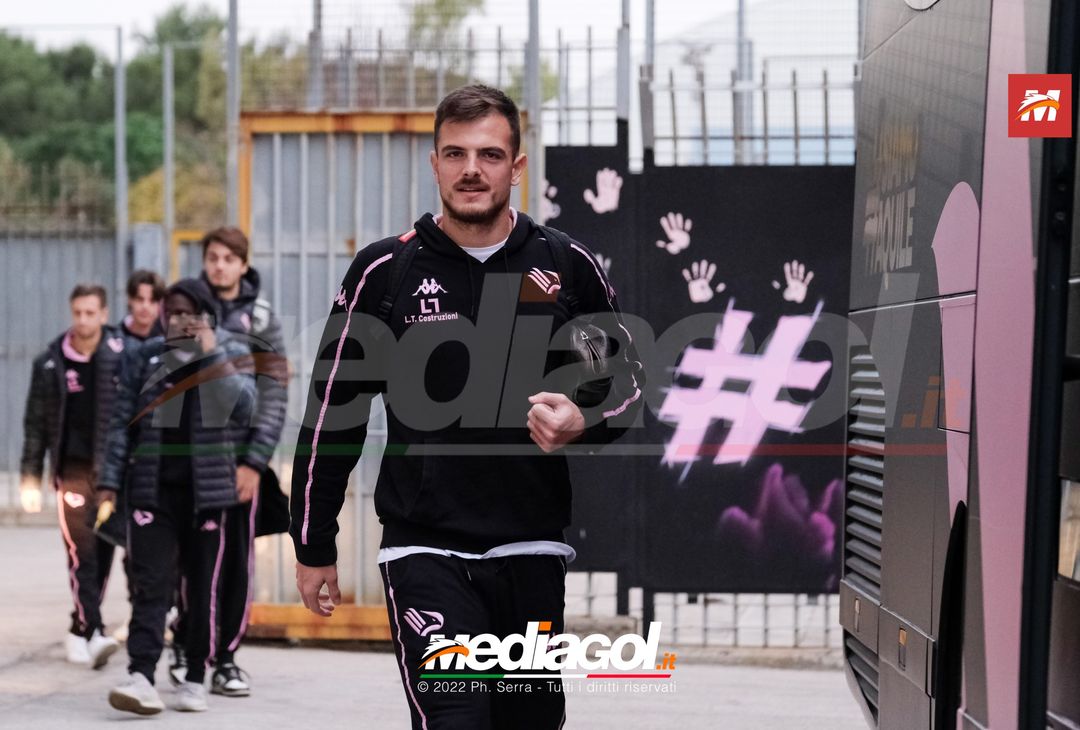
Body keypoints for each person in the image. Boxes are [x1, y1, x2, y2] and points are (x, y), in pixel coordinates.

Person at [289, 84, 643, 729]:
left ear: (517, 165)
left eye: (489, 154)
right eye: (455, 153)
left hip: (530, 547)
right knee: (457, 720)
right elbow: (331, 415)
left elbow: (627, 390)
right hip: (425, 549)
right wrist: (313, 543)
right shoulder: (385, 271)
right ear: (434, 163)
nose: (472, 169)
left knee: (527, 724)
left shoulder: (565, 265)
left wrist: (581, 419)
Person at [99, 278, 257, 715]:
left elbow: (244, 407)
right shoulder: (143, 356)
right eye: (172, 313)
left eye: (188, 314)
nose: (178, 322)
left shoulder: (226, 355)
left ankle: (194, 677)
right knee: (151, 585)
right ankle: (141, 675)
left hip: (208, 495)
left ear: (206, 318)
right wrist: (109, 483)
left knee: (203, 589)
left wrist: (212, 353)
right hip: (152, 492)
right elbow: (120, 424)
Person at [166, 226, 287, 695]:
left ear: (243, 263)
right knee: (186, 561)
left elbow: (274, 396)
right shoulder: (185, 308)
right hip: (188, 462)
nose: (219, 266)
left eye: (227, 258)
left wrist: (254, 463)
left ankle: (226, 659)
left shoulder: (261, 320)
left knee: (235, 562)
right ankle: (185, 645)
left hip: (236, 463)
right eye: (212, 257)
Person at [19, 283, 125, 668]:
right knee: (82, 554)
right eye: (77, 312)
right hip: (72, 474)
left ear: (103, 314)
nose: (83, 320)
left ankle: (79, 627)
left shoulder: (121, 355)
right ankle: (95, 632)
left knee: (105, 553)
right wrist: (30, 479)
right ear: (71, 313)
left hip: (112, 475)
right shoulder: (51, 363)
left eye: (90, 313)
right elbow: (35, 425)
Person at [120, 269, 166, 345]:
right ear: (129, 300)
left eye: (152, 301)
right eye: (140, 299)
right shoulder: (115, 340)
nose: (145, 306)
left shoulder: (168, 340)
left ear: (160, 304)